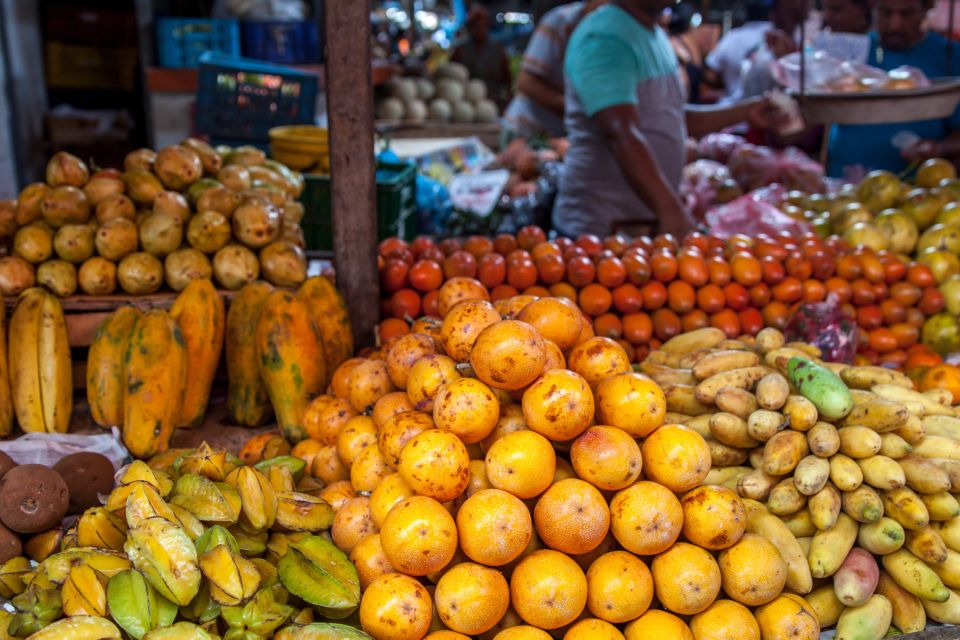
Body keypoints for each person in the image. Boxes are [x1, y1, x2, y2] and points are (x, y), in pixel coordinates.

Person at [553, 0, 782, 238]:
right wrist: (669, 209)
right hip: (600, 230)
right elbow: (621, 133)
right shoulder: (604, 37)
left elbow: (671, 116)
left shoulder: (654, 35)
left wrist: (744, 112)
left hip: (641, 226)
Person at [826, 0, 960, 178]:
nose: (895, 24)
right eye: (886, 13)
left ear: (926, 10)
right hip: (844, 184)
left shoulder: (950, 56)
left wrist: (939, 147)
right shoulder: (853, 51)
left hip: (919, 190)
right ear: (873, 9)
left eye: (907, 14)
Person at [503, 1, 591, 140]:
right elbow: (525, 82)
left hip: (563, 138)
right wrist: (572, 107)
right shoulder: (560, 20)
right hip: (528, 132)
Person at [706, 0, 811, 103]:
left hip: (730, 113)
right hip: (769, 111)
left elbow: (710, 75)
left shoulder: (731, 38)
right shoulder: (779, 37)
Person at [452, 6, 513, 109]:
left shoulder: (497, 50)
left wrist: (508, 95)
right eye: (476, 25)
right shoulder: (461, 49)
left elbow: (507, 77)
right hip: (467, 104)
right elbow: (452, 76)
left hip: (493, 101)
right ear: (471, 27)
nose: (480, 29)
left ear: (487, 26)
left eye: (482, 25)